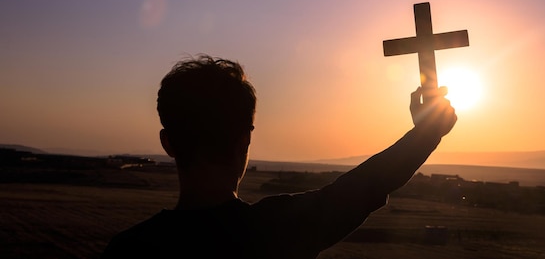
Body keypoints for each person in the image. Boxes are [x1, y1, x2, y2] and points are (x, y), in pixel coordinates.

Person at [101, 54, 457, 259]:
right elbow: (364, 186)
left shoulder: (129, 251)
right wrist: (425, 134)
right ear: (244, 142)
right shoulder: (274, 232)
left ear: (168, 144)